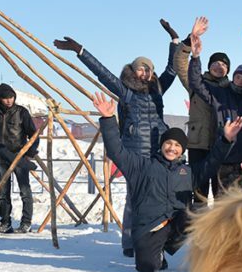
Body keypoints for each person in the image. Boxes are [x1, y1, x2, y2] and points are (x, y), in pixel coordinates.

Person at [54, 32, 179, 256]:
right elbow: (103, 73)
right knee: (134, 198)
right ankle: (130, 243)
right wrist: (80, 51)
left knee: (157, 198)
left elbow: (173, 68)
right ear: (133, 71)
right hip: (135, 152)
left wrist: (175, 41)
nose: (145, 73)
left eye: (148, 69)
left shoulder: (157, 90)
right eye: (141, 68)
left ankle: (154, 239)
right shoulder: (126, 91)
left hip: (157, 152)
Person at [91, 92, 242, 272]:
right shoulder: (141, 166)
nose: (172, 148)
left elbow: (212, 162)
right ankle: (156, 254)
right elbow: (117, 151)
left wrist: (226, 140)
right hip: (148, 230)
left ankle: (186, 252)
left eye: (178, 146)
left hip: (173, 225)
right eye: (169, 143)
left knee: (198, 211)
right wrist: (108, 120)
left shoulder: (188, 172)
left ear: (182, 151)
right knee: (147, 268)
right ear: (162, 145)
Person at [191, 22, 242, 190]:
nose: (240, 80)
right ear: (232, 77)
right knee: (225, 206)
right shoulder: (221, 94)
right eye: (237, 76)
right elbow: (196, 84)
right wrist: (195, 57)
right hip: (225, 160)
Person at [163, 17, 228, 207]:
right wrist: (191, 39)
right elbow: (179, 62)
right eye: (215, 63)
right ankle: (197, 231)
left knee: (221, 193)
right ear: (209, 66)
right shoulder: (196, 84)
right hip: (198, 143)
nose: (219, 66)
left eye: (224, 64)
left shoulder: (231, 90)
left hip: (220, 145)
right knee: (198, 191)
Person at [0, 83, 38, 233]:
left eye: (11, 97)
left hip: (18, 155)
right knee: (3, 193)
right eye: (5, 98)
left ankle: (26, 222)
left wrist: (29, 153)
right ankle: (6, 222)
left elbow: (33, 135)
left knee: (25, 191)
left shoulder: (21, 112)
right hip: (0, 156)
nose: (9, 100)